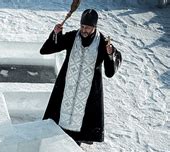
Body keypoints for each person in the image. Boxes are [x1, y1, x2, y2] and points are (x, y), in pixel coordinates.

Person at [40, 9, 122, 145]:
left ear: (94, 27)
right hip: (67, 86)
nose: (84, 30)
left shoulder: (103, 42)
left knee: (82, 126)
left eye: (88, 28)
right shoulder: (72, 37)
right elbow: (46, 50)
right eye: (82, 26)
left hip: (88, 91)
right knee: (57, 124)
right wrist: (56, 34)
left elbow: (109, 72)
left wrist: (110, 54)